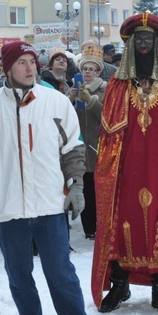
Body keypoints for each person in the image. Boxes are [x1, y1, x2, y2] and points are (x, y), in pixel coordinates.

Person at [0, 41, 94, 315]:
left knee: (61, 274)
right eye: (21, 62)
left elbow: (73, 147)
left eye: (32, 62)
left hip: (49, 205)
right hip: (7, 209)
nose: (30, 68)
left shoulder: (55, 102)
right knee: (19, 276)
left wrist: (76, 183)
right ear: (8, 69)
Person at [92, 12, 158, 315]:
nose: (145, 44)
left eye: (150, 39)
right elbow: (108, 133)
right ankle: (120, 283)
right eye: (140, 39)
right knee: (125, 225)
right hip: (125, 172)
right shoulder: (118, 83)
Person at [68, 45, 108, 240]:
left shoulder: (105, 89)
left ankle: (102, 225)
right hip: (79, 146)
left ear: (98, 72)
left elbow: (107, 116)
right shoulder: (74, 88)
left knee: (98, 188)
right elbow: (65, 117)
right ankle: (89, 228)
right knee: (84, 187)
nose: (88, 72)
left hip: (98, 145)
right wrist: (71, 98)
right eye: (85, 69)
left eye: (92, 69)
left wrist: (90, 101)